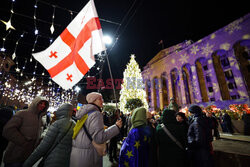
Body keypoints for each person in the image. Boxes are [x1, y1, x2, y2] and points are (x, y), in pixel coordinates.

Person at [70, 92, 122, 167]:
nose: (102, 101)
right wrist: (116, 127)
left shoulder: (85, 113)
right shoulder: (96, 114)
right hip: (89, 157)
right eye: (100, 99)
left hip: (78, 155)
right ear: (93, 100)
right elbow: (99, 138)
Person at [2, 96, 49, 167]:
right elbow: (8, 130)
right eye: (40, 103)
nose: (43, 105)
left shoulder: (41, 118)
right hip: (15, 155)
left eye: (44, 104)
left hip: (28, 157)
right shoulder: (22, 114)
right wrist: (23, 142)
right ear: (35, 103)